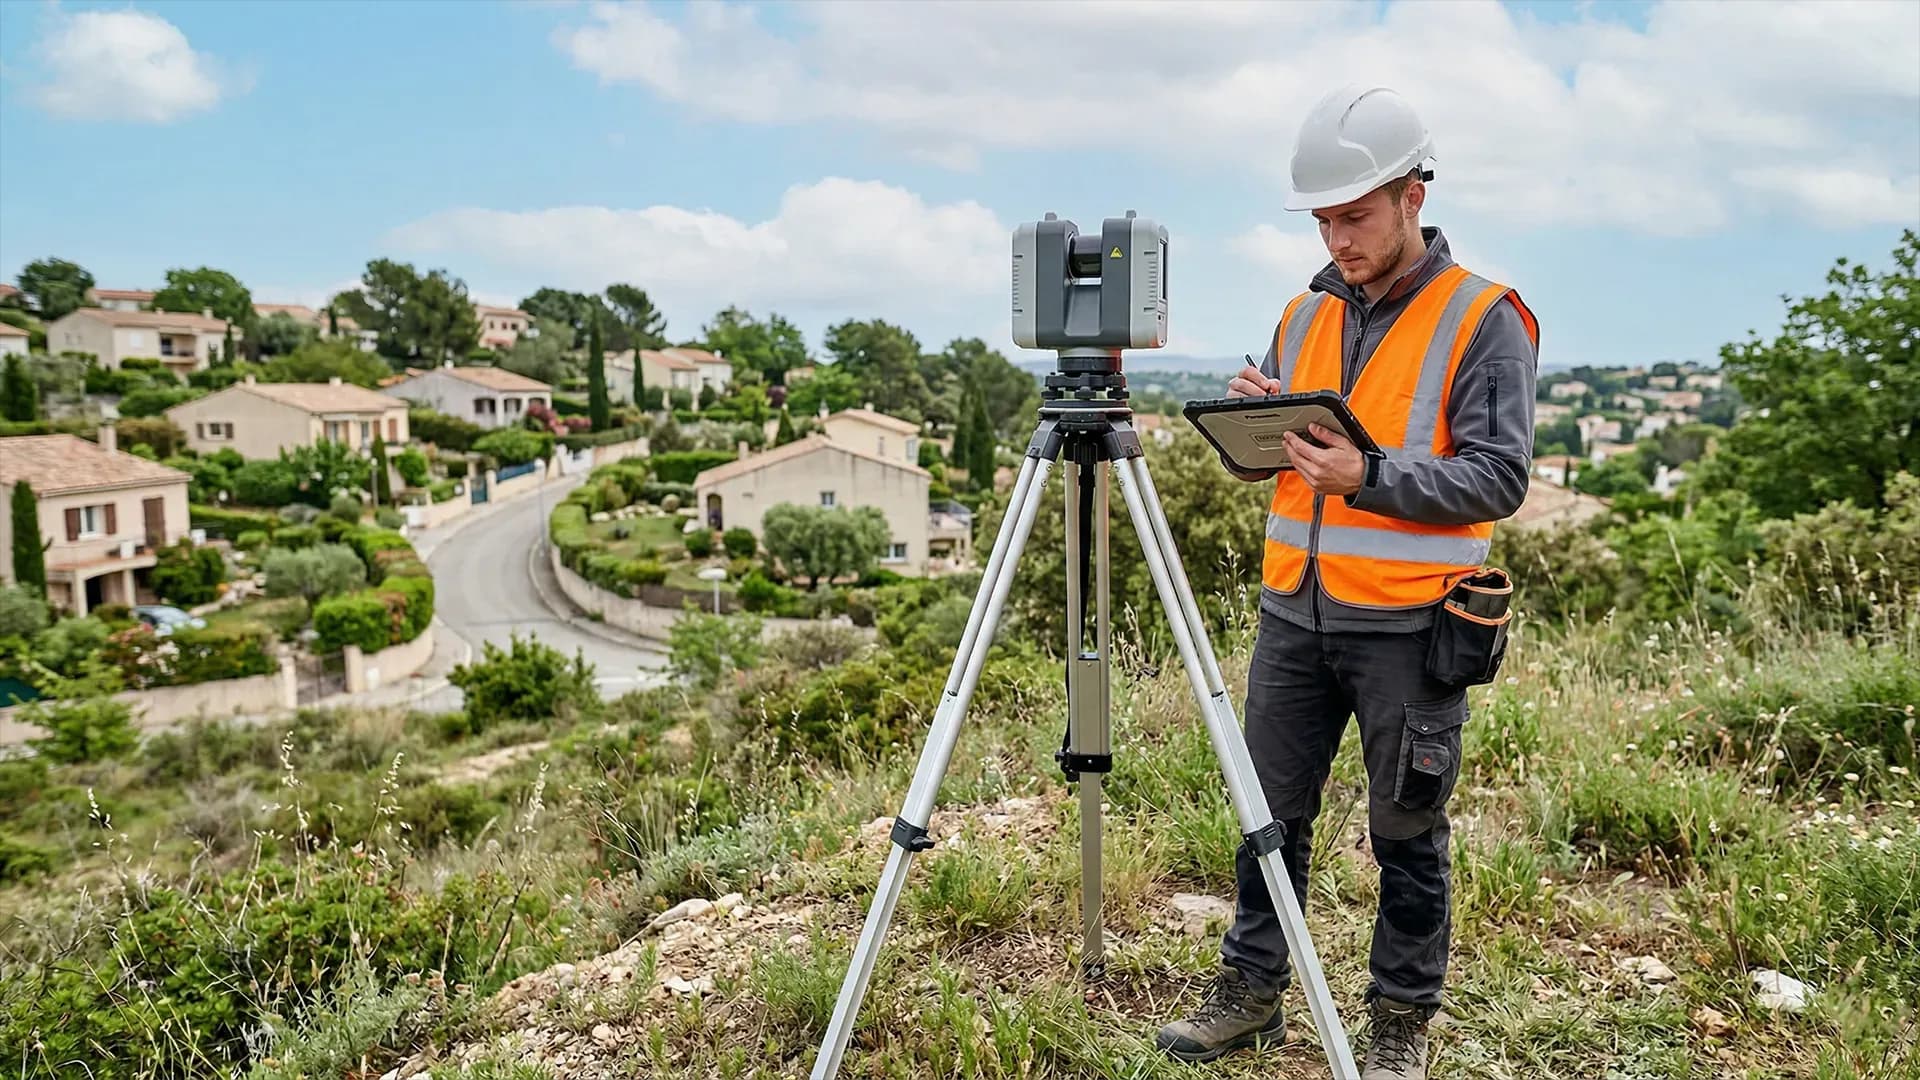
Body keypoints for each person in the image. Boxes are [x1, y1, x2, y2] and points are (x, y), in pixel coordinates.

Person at [1154, 85, 1540, 1079]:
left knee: (1405, 828)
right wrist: (1256, 425)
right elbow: (1287, 459)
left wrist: (1367, 477)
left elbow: (1498, 476)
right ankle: (1249, 992)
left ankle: (1401, 1024)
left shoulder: (1485, 319)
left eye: (1355, 216)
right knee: (1266, 818)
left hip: (1412, 630)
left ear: (1413, 195)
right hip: (1296, 614)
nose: (1338, 237)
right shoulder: (1304, 310)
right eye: (1323, 219)